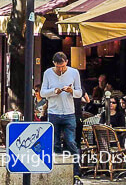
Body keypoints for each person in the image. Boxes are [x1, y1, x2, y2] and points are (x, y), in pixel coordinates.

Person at [41, 52, 82, 185]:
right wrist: (54, 91)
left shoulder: (74, 72)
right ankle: (57, 173)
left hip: (69, 113)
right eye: (59, 67)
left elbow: (79, 93)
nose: (61, 69)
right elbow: (42, 93)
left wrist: (72, 91)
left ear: (67, 62)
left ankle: (76, 173)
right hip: (53, 112)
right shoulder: (48, 73)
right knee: (55, 143)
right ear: (54, 64)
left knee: (71, 142)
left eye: (63, 66)